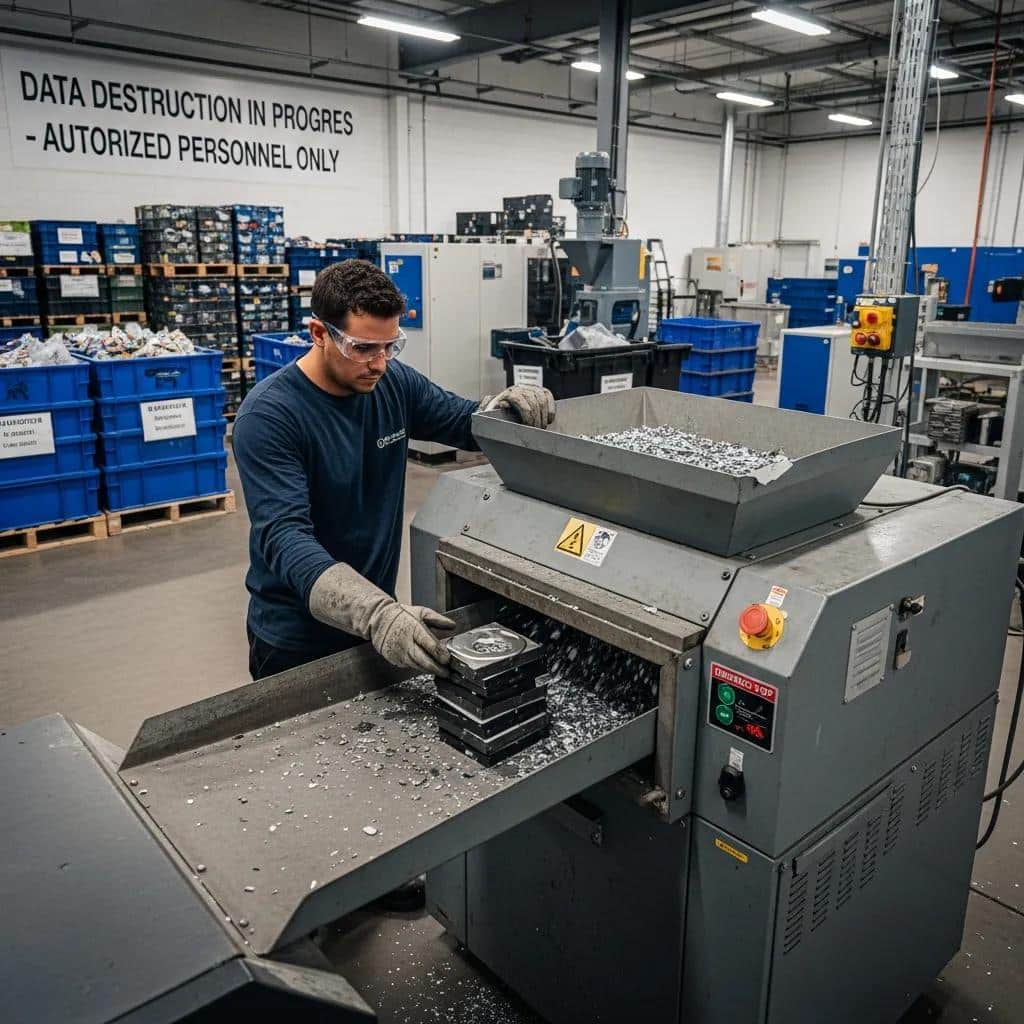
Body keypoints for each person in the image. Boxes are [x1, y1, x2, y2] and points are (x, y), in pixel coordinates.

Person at [233, 259, 555, 682]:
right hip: (298, 641)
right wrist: (375, 613)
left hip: (374, 624)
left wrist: (508, 407)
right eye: (363, 348)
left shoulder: (392, 382)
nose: (379, 363)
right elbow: (286, 538)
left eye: (390, 346)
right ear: (319, 334)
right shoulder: (270, 417)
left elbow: (464, 421)